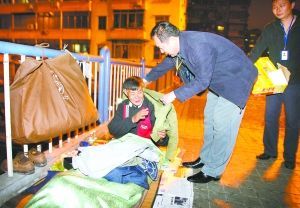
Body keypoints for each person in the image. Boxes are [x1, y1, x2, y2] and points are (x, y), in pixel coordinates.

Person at [144, 21, 257, 183]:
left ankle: (213, 171)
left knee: (222, 124)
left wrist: (174, 94)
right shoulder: (179, 46)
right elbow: (165, 65)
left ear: (169, 40)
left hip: (236, 81)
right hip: (218, 81)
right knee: (210, 119)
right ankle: (205, 159)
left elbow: (203, 81)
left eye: (160, 47)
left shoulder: (198, 46)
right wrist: (145, 79)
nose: (161, 51)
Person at [250, 0, 300, 169]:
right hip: (275, 80)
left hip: (295, 82)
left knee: (293, 121)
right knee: (270, 117)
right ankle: (270, 151)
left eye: (282, 5)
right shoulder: (270, 29)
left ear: (292, 5)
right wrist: (243, 68)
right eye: (274, 6)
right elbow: (256, 50)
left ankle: (290, 157)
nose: (277, 9)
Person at [108, 76, 178, 161]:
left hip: (145, 149)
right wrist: (132, 119)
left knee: (152, 158)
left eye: (139, 92)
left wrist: (161, 138)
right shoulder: (124, 106)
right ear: (126, 92)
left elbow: (165, 141)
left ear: (143, 90)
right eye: (133, 94)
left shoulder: (152, 108)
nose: (137, 97)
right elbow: (112, 130)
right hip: (126, 145)